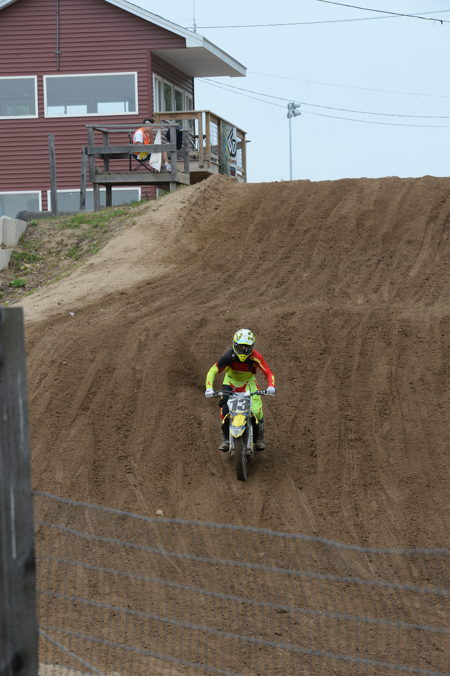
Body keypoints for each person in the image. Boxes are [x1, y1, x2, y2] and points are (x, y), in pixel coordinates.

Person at [205, 329, 276, 452]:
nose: (244, 350)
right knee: (225, 409)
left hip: (248, 382)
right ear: (235, 345)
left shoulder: (256, 357)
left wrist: (271, 386)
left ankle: (259, 437)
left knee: (256, 410)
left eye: (247, 347)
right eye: (241, 347)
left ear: (252, 347)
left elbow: (268, 372)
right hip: (230, 382)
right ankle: (226, 438)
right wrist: (209, 388)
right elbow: (213, 370)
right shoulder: (229, 356)